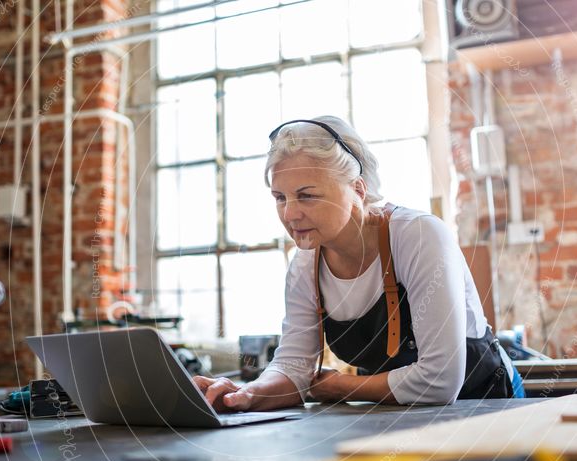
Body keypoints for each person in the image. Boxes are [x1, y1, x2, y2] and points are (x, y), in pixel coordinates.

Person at [193, 116, 524, 412]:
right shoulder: (304, 266)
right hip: (396, 418)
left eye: (307, 195)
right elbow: (294, 368)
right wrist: (248, 393)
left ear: (358, 189)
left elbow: (439, 381)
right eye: (280, 198)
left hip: (488, 408)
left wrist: (338, 386)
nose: (290, 214)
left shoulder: (419, 236)